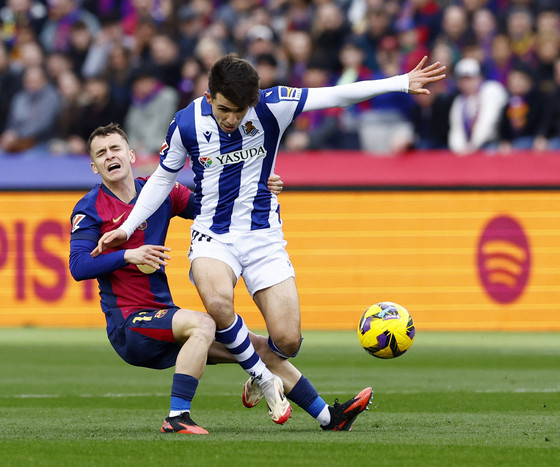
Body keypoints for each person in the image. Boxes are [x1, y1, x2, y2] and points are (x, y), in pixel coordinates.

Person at [92, 53, 444, 425]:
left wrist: (400, 82)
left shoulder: (273, 106)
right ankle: (262, 376)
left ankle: (261, 374)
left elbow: (336, 95)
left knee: (288, 341)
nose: (232, 119)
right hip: (213, 235)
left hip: (264, 238)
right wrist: (128, 228)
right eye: (225, 109)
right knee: (217, 303)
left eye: (241, 111)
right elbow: (163, 179)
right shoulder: (186, 123)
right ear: (209, 96)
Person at [70, 123, 373, 434]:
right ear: (94, 166)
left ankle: (329, 418)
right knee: (204, 323)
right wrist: (127, 255)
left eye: (115, 148)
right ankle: (177, 417)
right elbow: (78, 266)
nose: (110, 156)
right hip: (129, 324)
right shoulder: (90, 208)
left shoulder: (160, 192)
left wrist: (256, 187)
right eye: (101, 153)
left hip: (165, 316)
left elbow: (214, 207)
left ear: (131, 155)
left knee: (256, 348)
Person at [448, 57, 507, 155]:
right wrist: (459, 150)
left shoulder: (491, 91)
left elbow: (487, 123)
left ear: (479, 77)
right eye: (463, 80)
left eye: (470, 79)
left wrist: (472, 147)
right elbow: (456, 129)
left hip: (493, 143)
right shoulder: (459, 101)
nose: (466, 84)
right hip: (470, 147)